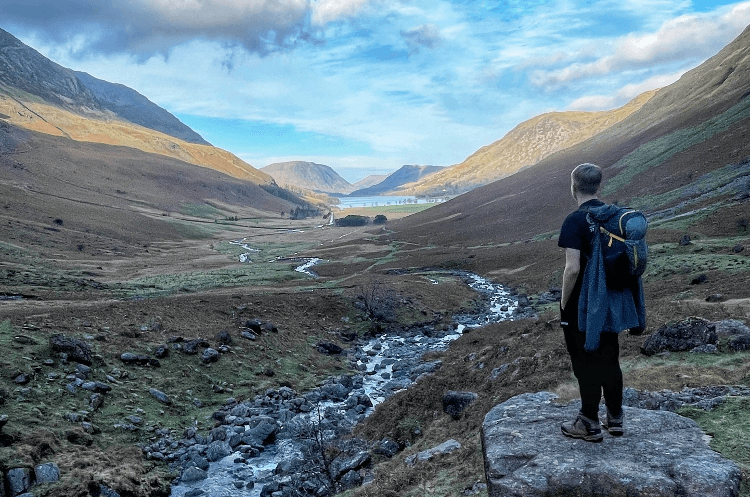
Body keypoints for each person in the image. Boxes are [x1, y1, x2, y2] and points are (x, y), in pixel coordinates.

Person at [558, 163, 645, 442]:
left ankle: (588, 422)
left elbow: (572, 269)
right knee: (609, 356)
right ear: (599, 186)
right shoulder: (612, 215)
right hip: (615, 300)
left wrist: (563, 302)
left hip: (585, 303)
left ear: (574, 186)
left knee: (585, 360)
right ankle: (615, 418)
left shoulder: (575, 220)